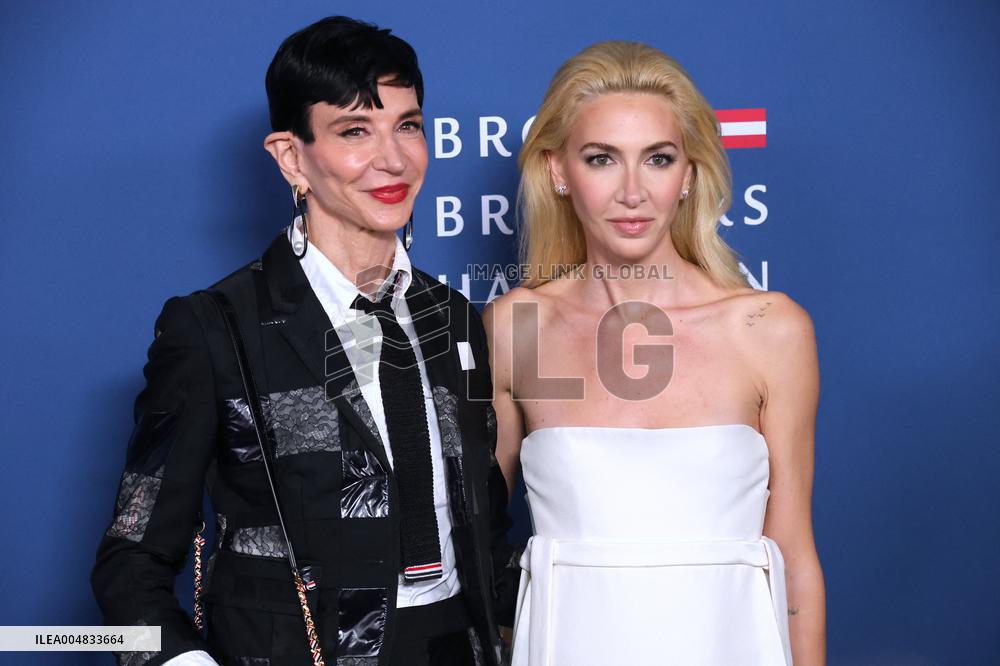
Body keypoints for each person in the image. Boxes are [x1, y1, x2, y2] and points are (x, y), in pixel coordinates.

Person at [92, 16, 518, 666]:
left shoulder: (453, 316)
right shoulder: (215, 329)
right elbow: (132, 558)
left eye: (407, 125)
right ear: (292, 158)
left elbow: (484, 526)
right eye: (355, 132)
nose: (394, 159)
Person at [485, 41, 825, 665]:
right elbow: (475, 538)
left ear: (690, 173)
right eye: (602, 159)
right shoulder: (522, 327)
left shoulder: (765, 328)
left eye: (659, 159)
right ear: (558, 171)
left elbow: (794, 554)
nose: (633, 191)